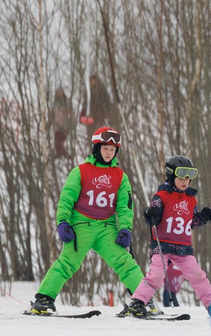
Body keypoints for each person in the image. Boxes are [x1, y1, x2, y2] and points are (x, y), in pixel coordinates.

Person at [27, 125, 143, 315]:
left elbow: (125, 206)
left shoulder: (120, 177)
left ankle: (143, 300)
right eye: (105, 149)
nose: (108, 153)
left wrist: (125, 229)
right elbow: (66, 199)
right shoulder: (80, 171)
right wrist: (63, 222)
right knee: (67, 262)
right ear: (96, 148)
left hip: (106, 228)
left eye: (112, 150)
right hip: (81, 225)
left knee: (125, 261)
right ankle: (43, 299)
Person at [124, 155, 211, 317]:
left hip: (183, 247)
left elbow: (191, 223)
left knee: (198, 275)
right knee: (157, 274)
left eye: (188, 179)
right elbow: (151, 216)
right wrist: (151, 214)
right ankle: (137, 302)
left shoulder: (190, 200)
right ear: (171, 176)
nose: (185, 182)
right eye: (181, 178)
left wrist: (205, 215)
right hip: (162, 245)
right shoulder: (162, 196)